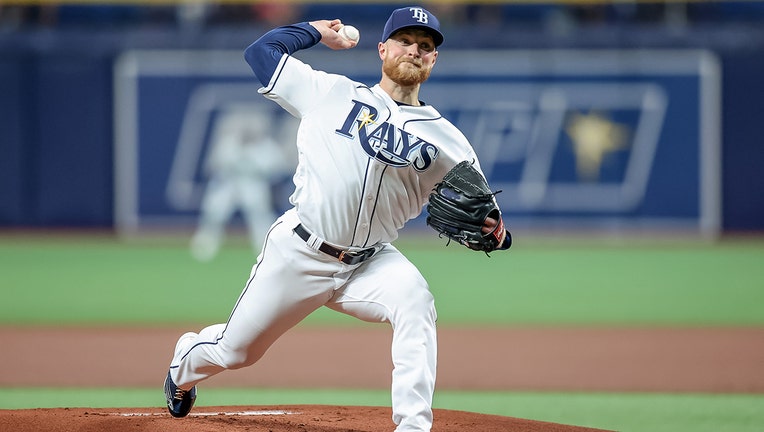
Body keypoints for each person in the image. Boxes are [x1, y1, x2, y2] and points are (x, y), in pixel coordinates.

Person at [163, 6, 511, 431]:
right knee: (237, 352)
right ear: (382, 49)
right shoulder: (331, 93)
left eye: (426, 46)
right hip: (300, 252)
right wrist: (313, 31)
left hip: (371, 261)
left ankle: (414, 426)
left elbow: (485, 213)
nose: (415, 50)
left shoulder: (449, 140)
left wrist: (496, 233)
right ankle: (184, 365)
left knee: (415, 300)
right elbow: (260, 52)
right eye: (405, 40)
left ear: (433, 60)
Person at [190, 107, 290, 261]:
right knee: (215, 213)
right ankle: (205, 247)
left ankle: (264, 248)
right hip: (229, 183)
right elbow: (215, 165)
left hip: (253, 184)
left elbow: (278, 169)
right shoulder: (229, 143)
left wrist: (256, 168)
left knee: (260, 216)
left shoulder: (266, 146)